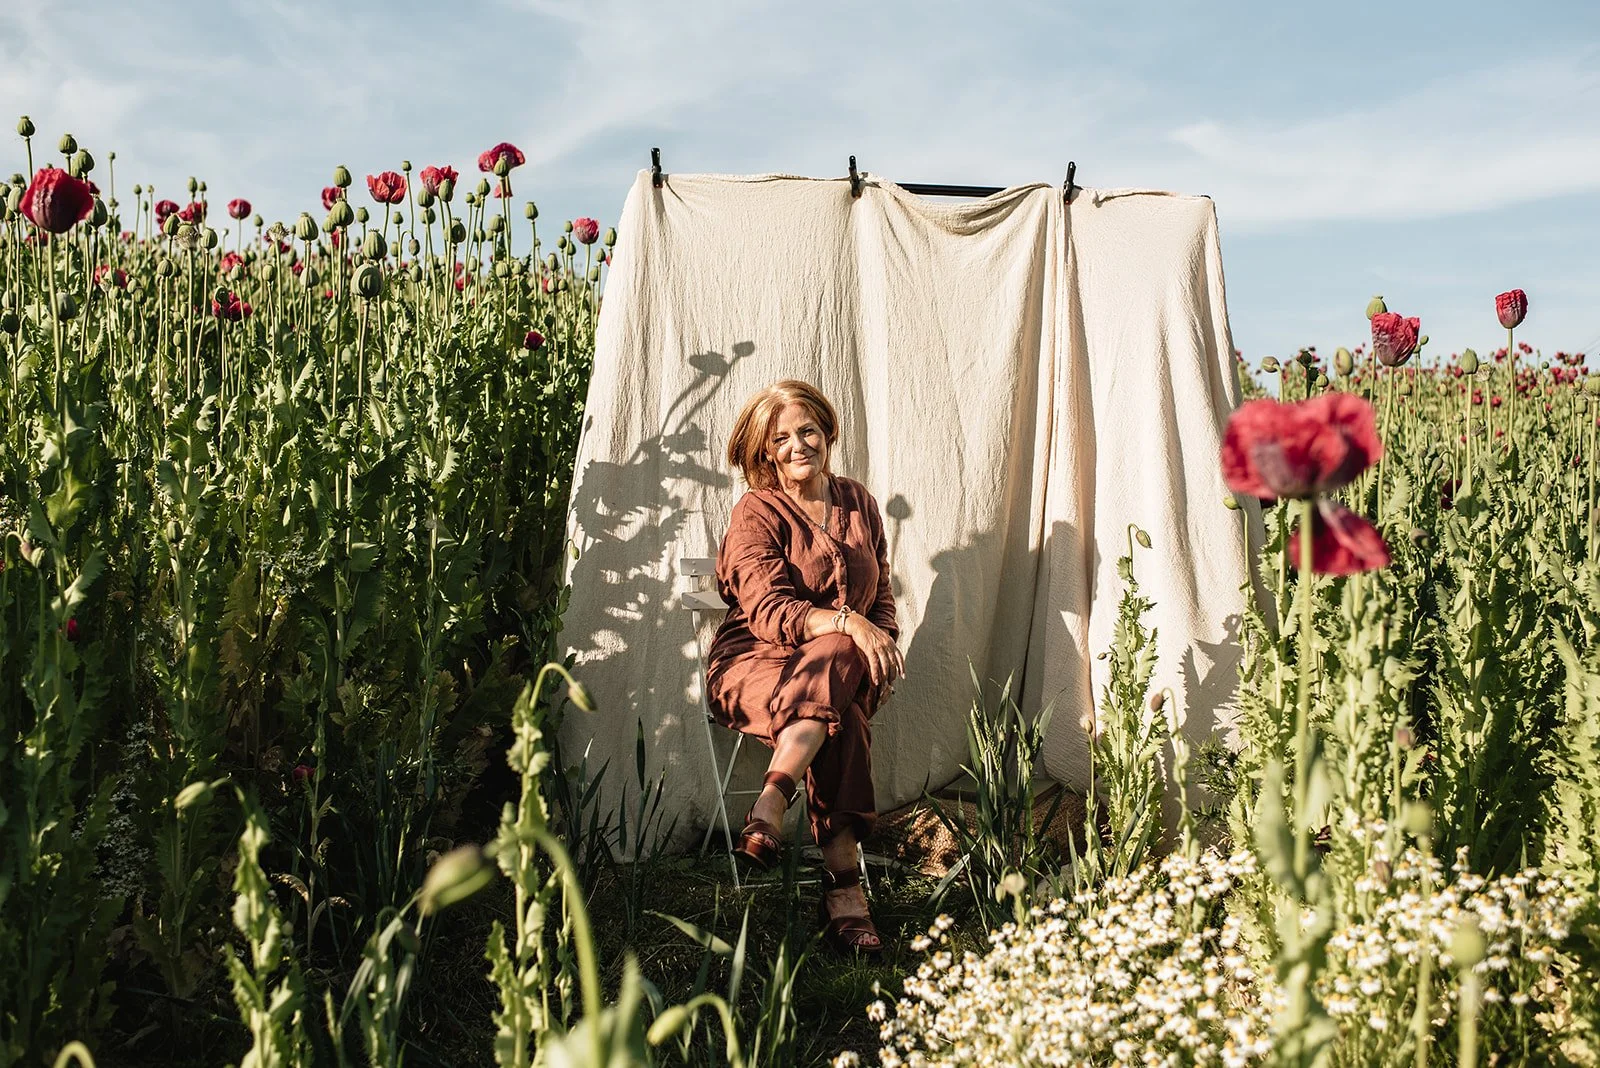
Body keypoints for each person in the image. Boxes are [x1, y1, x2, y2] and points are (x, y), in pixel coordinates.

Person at [705, 379, 905, 957]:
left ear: (828, 433)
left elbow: (881, 597)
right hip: (754, 666)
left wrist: (878, 647)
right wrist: (849, 626)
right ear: (766, 450)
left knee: (840, 664)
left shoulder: (858, 502)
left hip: (836, 670)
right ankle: (846, 890)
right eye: (782, 438)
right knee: (840, 686)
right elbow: (768, 612)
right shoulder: (757, 511)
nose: (798, 445)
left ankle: (772, 798)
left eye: (808, 431)